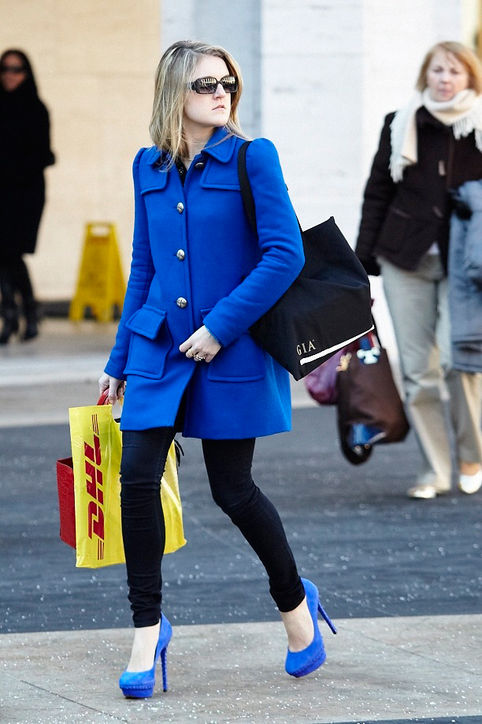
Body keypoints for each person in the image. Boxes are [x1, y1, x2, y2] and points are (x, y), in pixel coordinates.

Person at [99, 39, 336, 699]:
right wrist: (119, 360)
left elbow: (284, 254)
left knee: (233, 490)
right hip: (158, 346)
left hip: (229, 346)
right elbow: (144, 266)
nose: (220, 93)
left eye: (227, 82)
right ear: (174, 92)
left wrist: (219, 327)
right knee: (137, 478)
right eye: (205, 84)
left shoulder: (253, 157)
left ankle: (296, 604)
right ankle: (147, 630)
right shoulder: (147, 164)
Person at [356, 41, 482, 500]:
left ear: (470, 78)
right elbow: (378, 192)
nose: (445, 79)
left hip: (464, 262)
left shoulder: (479, 125)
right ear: (425, 75)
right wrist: (362, 261)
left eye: (454, 71)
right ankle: (435, 470)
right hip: (403, 257)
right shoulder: (400, 121)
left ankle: (472, 456)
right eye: (437, 70)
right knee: (417, 371)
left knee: (457, 361)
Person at [0, 49, 54, 344]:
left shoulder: (35, 109)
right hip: (3, 191)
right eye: (5, 68)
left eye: (17, 69)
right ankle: (15, 315)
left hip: (24, 194)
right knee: (4, 255)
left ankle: (25, 313)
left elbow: (43, 154)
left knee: (11, 252)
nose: (10, 75)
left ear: (26, 73)